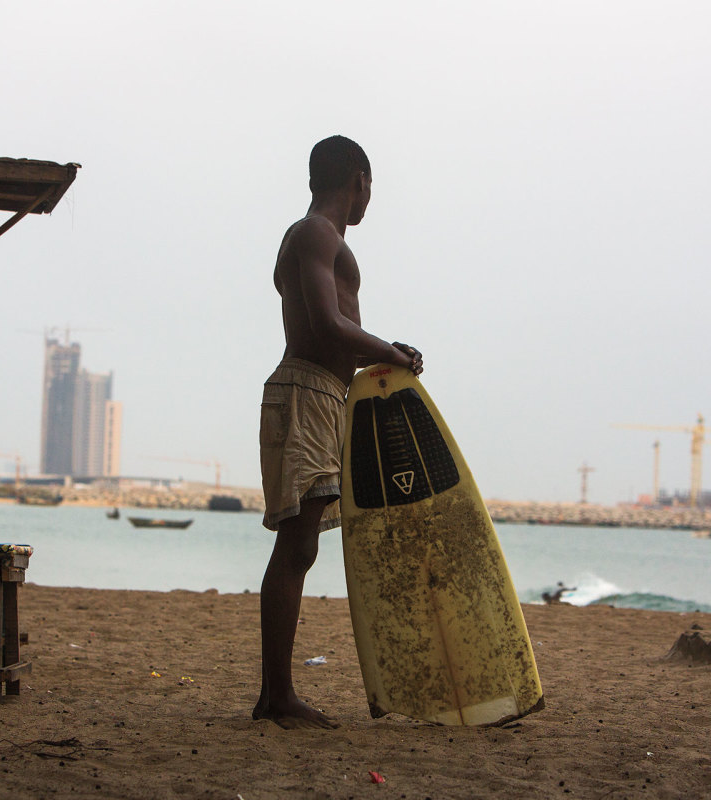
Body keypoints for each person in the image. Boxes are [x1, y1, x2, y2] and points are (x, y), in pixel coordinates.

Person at [254, 135, 422, 729]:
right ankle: (277, 697)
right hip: (305, 391)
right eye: (369, 189)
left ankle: (276, 694)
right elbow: (327, 323)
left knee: (301, 546)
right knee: (296, 546)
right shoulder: (316, 234)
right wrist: (393, 353)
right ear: (358, 181)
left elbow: (332, 326)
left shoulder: (315, 237)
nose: (368, 200)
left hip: (324, 394)